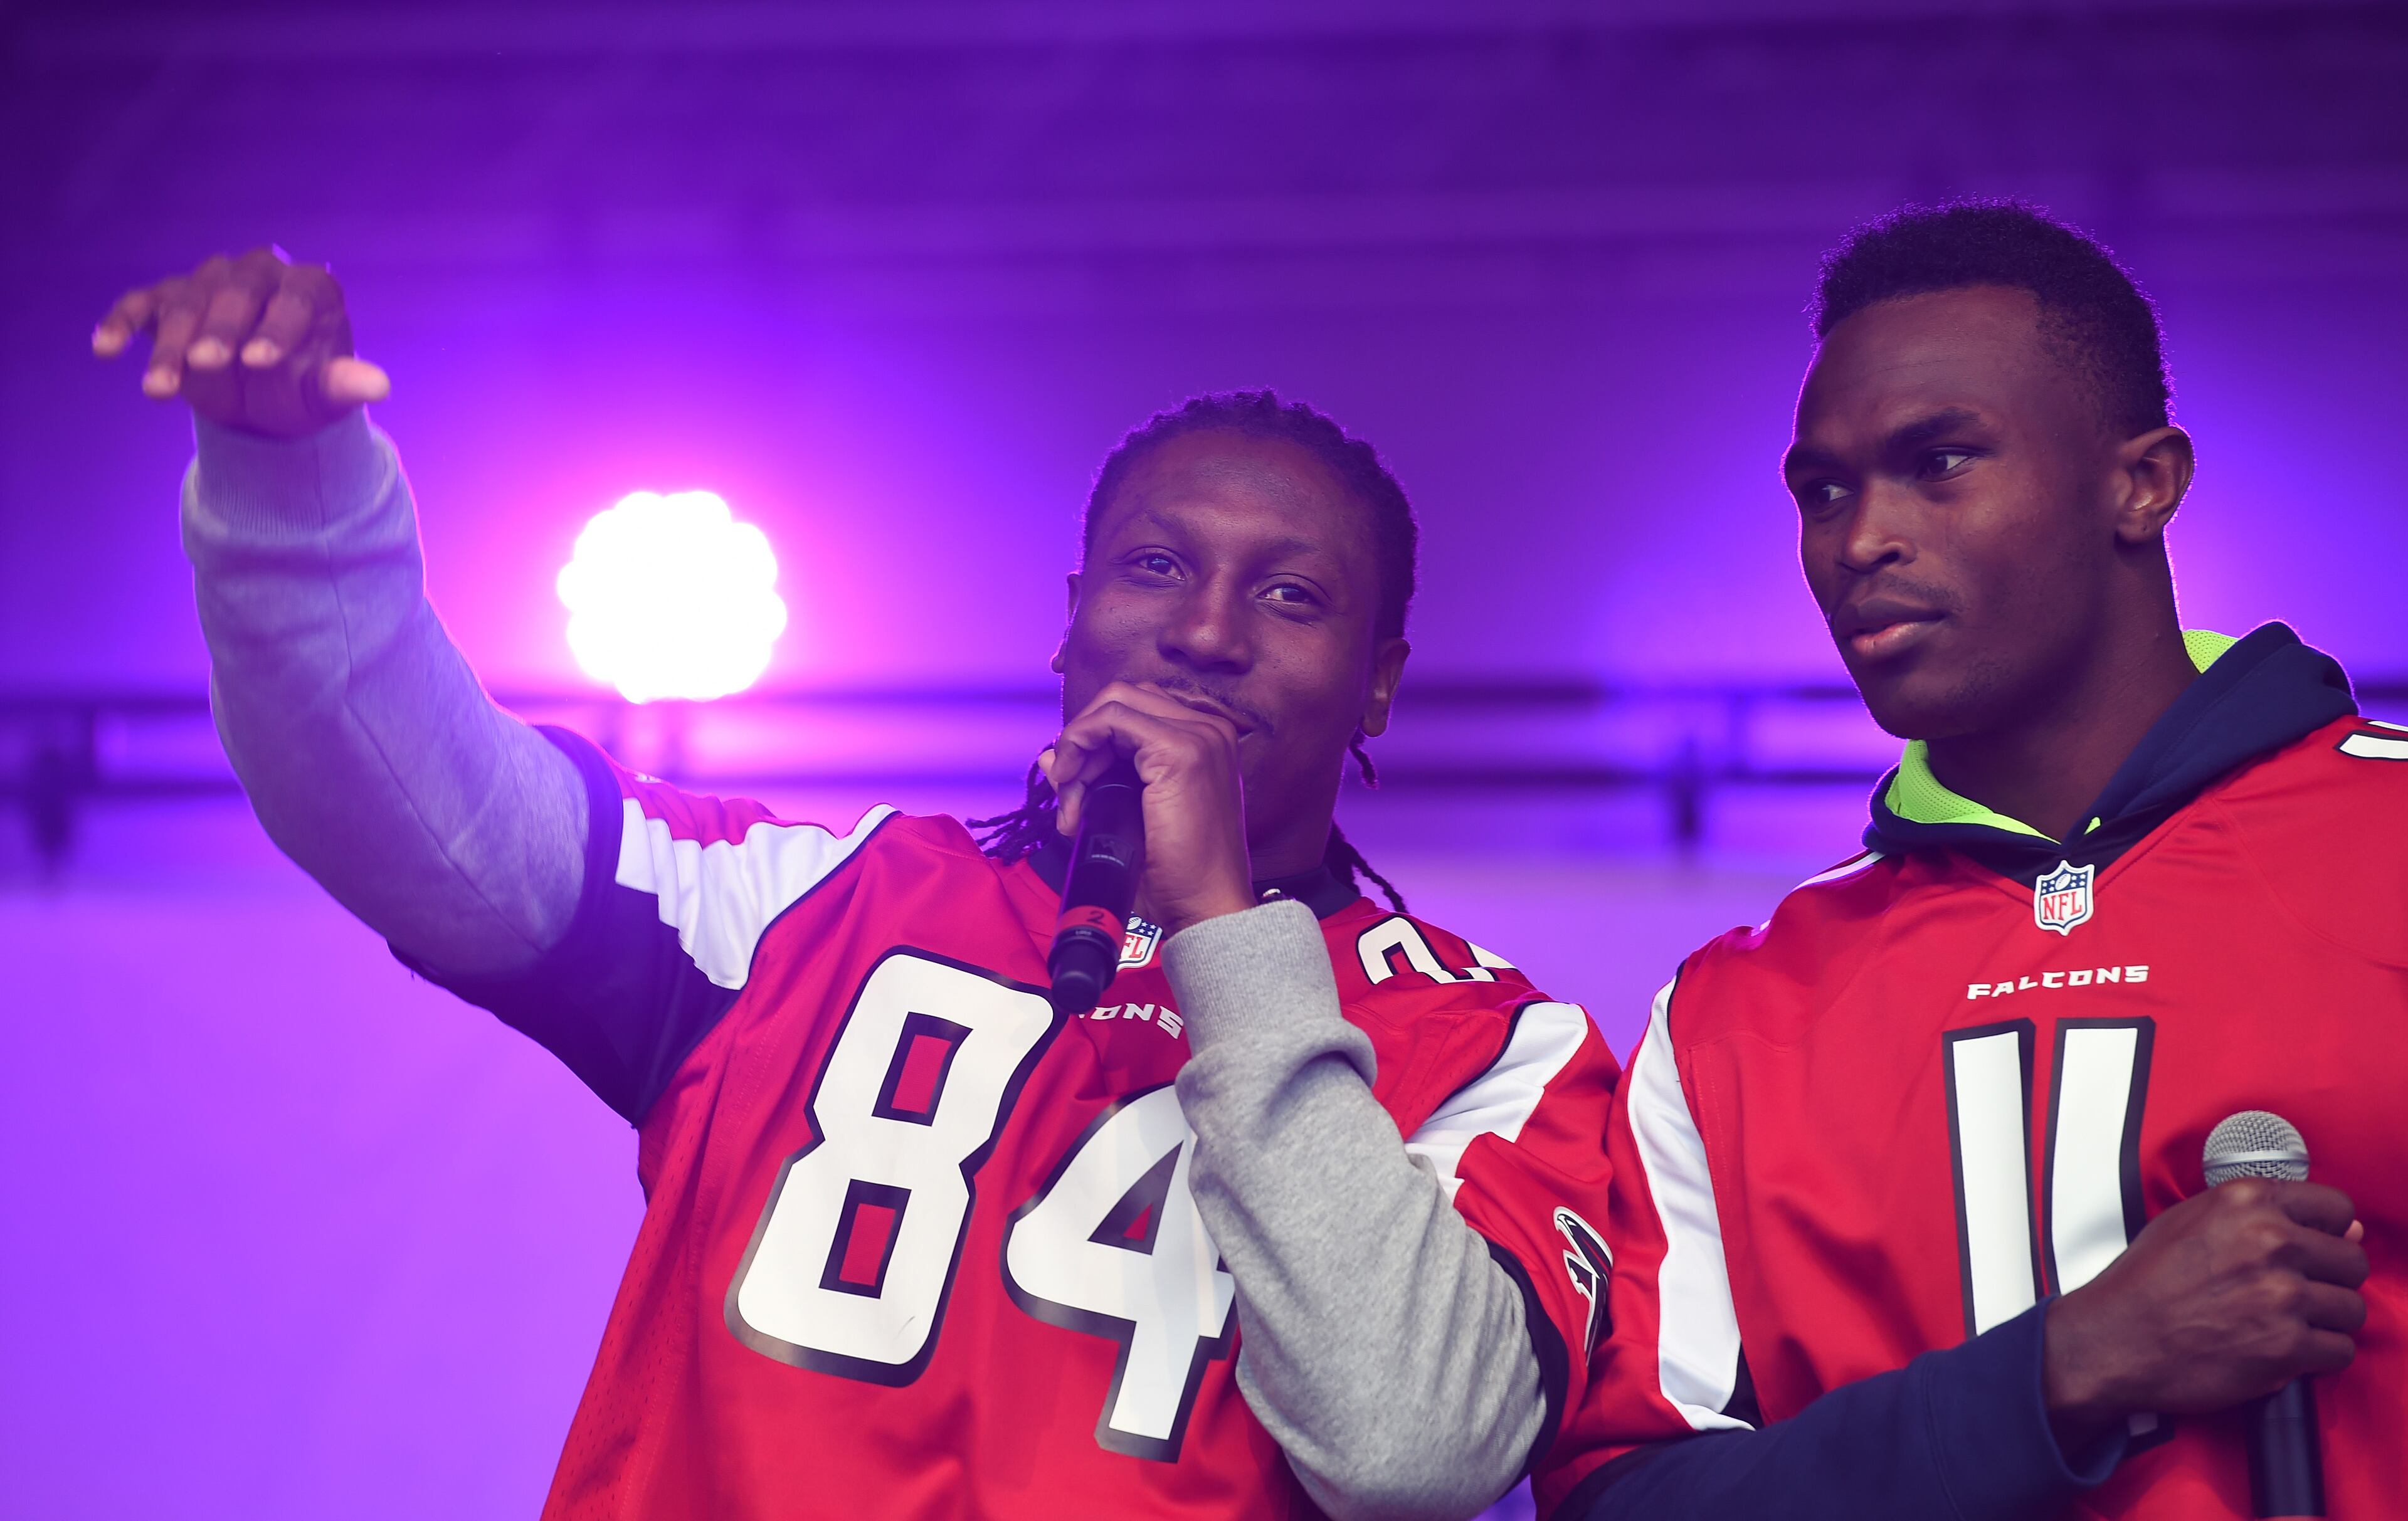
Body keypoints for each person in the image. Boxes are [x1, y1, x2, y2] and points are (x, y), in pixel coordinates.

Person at [93, 250, 1620, 1520]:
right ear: (1069, 624)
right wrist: (290, 478)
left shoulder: (1500, 1050)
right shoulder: (805, 900)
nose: (1207, 632)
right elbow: (407, 807)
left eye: (1292, 596)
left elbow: (1414, 1447)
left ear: (1379, 688)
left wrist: (1225, 928)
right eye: (1156, 567)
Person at [1539, 202, 2403, 1519]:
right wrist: (2060, 1374)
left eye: (1938, 463)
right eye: (1824, 491)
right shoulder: (1735, 1010)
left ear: (2143, 482)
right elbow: (1621, 1502)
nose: (1860, 539)